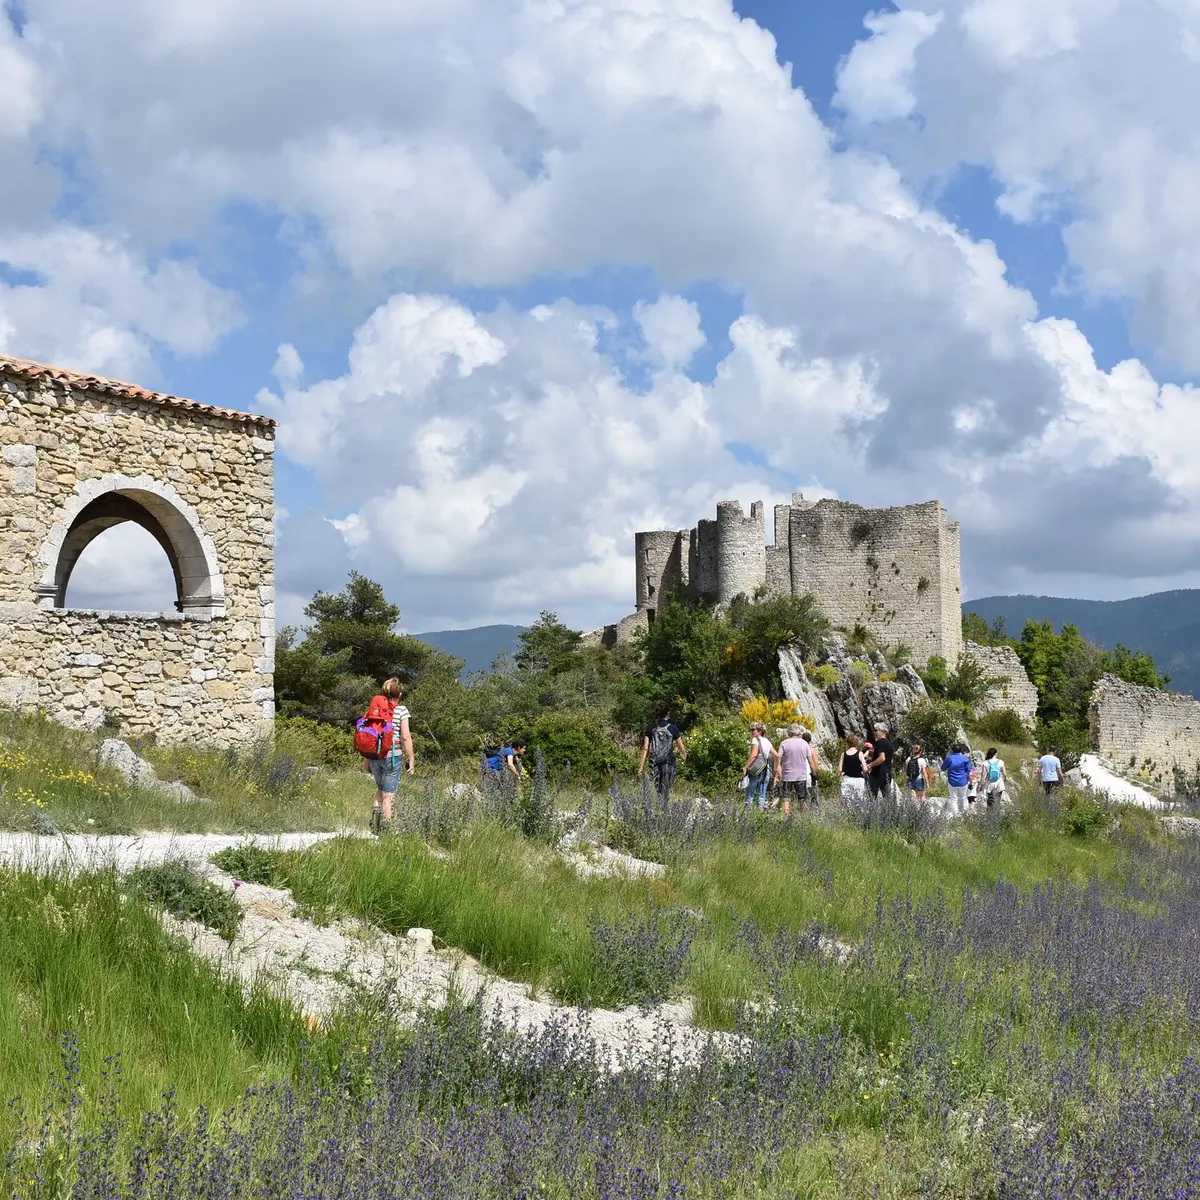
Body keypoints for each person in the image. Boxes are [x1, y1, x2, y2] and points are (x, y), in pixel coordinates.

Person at [366, 677, 415, 835]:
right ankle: (386, 830)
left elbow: (370, 735)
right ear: (399, 694)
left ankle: (374, 823)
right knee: (388, 795)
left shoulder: (375, 709)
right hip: (393, 756)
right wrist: (411, 759)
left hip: (374, 755)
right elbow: (406, 736)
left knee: (380, 789)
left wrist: (366, 758)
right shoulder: (401, 710)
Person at [639, 710, 686, 804]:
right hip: (668, 762)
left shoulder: (650, 728)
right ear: (667, 713)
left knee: (658, 790)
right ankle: (663, 812)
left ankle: (660, 811)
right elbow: (682, 749)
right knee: (665, 790)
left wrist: (641, 766)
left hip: (654, 763)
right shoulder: (672, 727)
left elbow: (645, 748)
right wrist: (684, 757)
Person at [776, 723, 812, 814]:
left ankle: (786, 817)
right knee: (802, 798)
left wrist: (779, 774)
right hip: (801, 776)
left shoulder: (784, 743)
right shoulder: (805, 744)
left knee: (786, 799)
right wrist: (814, 774)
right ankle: (803, 818)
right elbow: (811, 762)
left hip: (787, 775)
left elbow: (778, 760)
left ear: (789, 732)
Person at [742, 723, 776, 810]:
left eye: (753, 730)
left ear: (760, 731)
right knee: (762, 793)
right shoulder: (767, 741)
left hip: (756, 768)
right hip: (766, 768)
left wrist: (745, 767)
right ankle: (760, 813)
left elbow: (753, 755)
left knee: (750, 793)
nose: (751, 732)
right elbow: (777, 755)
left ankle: (747, 814)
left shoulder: (755, 740)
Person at [941, 742, 974, 816]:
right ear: (960, 750)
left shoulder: (949, 758)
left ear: (952, 750)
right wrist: (971, 782)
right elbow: (969, 772)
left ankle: (955, 815)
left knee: (953, 799)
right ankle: (965, 814)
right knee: (964, 798)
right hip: (963, 782)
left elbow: (943, 768)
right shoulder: (965, 759)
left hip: (952, 781)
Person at [866, 723, 894, 801]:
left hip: (877, 774)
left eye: (876, 730)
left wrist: (871, 765)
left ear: (883, 732)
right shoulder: (889, 744)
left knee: (872, 798)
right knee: (887, 800)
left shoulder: (880, 743)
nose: (874, 732)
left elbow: (882, 758)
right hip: (887, 774)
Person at [839, 734, 867, 804]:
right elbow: (865, 769)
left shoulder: (843, 754)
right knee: (859, 802)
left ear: (848, 743)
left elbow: (839, 769)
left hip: (846, 780)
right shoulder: (860, 753)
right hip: (858, 780)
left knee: (847, 803)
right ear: (856, 742)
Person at [802, 730, 820, 807]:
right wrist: (816, 776)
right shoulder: (812, 750)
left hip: (800, 778)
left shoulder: (800, 750)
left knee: (803, 800)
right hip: (810, 777)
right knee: (814, 799)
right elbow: (815, 764)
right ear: (810, 740)